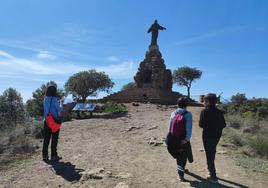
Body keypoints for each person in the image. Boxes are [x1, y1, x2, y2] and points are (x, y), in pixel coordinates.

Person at [199, 93, 226, 183]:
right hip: (216, 135)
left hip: (207, 136)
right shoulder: (219, 112)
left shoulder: (204, 112)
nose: (203, 102)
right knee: (212, 151)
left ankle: (213, 176)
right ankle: (210, 169)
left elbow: (201, 124)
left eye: (204, 101)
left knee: (209, 154)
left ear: (207, 101)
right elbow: (224, 125)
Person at [166, 97, 193, 182]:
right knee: (183, 157)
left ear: (177, 104)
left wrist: (169, 137)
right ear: (186, 105)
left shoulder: (173, 113)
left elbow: (169, 127)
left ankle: (181, 170)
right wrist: (187, 139)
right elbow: (189, 128)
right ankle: (181, 176)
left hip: (173, 138)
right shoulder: (188, 114)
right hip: (182, 138)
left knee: (178, 155)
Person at [42, 83, 63, 162]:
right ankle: (54, 155)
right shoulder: (54, 99)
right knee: (54, 139)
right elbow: (59, 109)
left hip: (47, 121)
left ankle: (45, 156)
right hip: (54, 122)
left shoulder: (45, 99)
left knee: (46, 139)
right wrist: (60, 103)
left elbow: (48, 109)